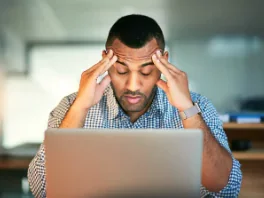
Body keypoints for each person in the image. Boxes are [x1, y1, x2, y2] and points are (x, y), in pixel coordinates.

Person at [28, 14, 242, 197]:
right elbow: (43, 190)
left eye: (146, 71)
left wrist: (187, 108)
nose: (133, 85)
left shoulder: (197, 106)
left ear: (164, 62)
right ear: (106, 61)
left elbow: (226, 189)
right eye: (121, 70)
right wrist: (79, 109)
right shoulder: (70, 106)